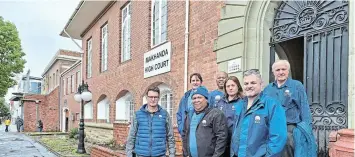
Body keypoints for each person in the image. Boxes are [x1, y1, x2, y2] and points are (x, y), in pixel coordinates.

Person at [263, 60, 316, 157]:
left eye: (284, 69)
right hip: (271, 127)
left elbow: (304, 107)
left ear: (288, 71)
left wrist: (307, 129)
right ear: (273, 72)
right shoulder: (267, 89)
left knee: (287, 149)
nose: (281, 72)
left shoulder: (296, 85)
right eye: (277, 70)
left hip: (289, 128)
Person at [231, 69, 287, 157]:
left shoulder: (272, 105)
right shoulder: (239, 105)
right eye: (246, 83)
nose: (249, 86)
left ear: (261, 84)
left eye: (253, 83)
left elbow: (278, 138)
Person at [126, 86, 175, 157]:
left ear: (158, 98)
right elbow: (131, 137)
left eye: (155, 97)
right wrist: (129, 154)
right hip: (141, 155)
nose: (153, 99)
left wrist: (172, 154)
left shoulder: (165, 115)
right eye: (151, 97)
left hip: (160, 154)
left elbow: (170, 137)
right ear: (146, 97)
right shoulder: (138, 115)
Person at [182, 86, 228, 157]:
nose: (196, 100)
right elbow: (184, 135)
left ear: (206, 99)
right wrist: (185, 153)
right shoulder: (189, 115)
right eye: (194, 98)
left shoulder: (215, 114)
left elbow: (222, 138)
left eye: (199, 97)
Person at [215, 76, 243, 157]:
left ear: (238, 86)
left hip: (235, 140)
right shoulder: (220, 102)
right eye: (228, 86)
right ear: (225, 88)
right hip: (221, 140)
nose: (230, 88)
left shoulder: (242, 102)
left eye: (233, 85)